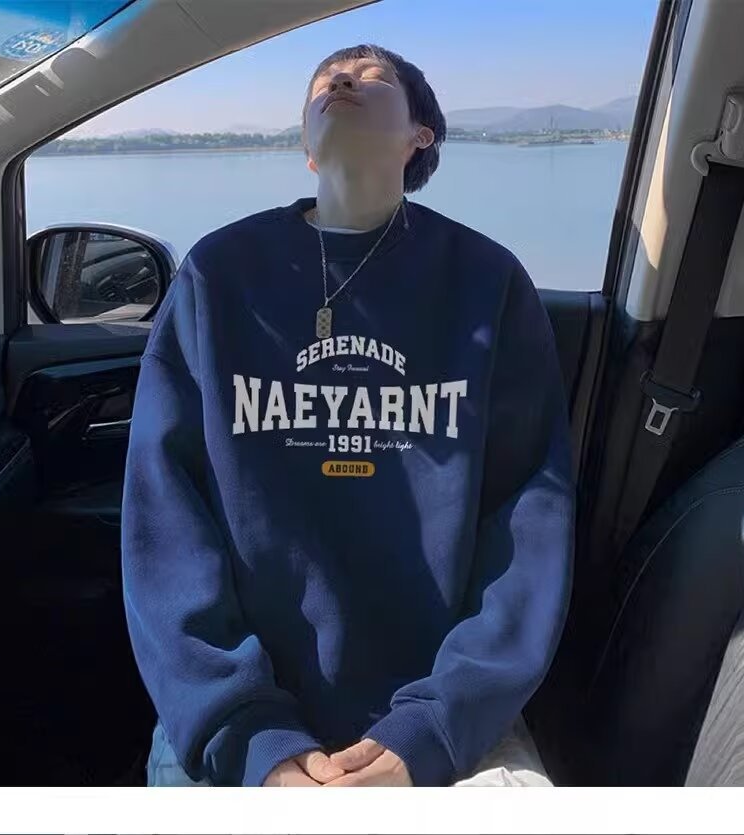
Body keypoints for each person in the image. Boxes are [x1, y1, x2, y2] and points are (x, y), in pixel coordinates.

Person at [121, 43, 575, 788]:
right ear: (307, 147)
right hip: (235, 716)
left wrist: (433, 728)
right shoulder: (218, 274)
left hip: (449, 720)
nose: (341, 79)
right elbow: (163, 520)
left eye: (373, 76)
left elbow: (527, 524)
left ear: (420, 135)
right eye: (324, 81)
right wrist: (250, 734)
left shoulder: (486, 282)